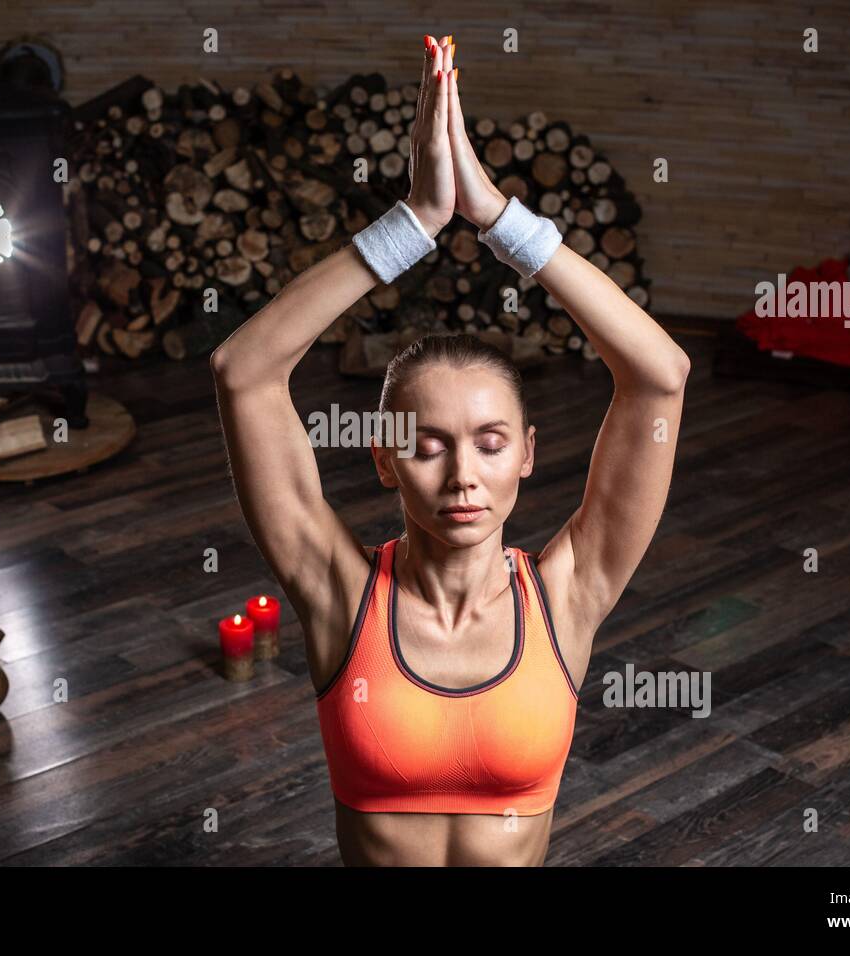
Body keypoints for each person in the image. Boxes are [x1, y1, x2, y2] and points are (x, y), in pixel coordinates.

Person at [211, 35, 689, 866]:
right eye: (428, 446)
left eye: (491, 443)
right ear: (385, 460)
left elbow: (661, 376)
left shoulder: (569, 595)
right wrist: (414, 224)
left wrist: (502, 220)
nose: (465, 475)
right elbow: (242, 372)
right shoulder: (338, 591)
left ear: (528, 454)